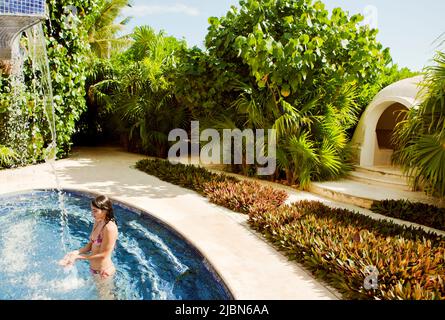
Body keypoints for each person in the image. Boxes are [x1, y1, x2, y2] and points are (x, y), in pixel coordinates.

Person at [59, 195, 118, 299]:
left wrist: (79, 257)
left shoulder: (110, 228)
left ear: (105, 210)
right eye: (91, 210)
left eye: (95, 211)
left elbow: (103, 255)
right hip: (94, 270)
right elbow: (91, 244)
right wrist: (76, 252)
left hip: (103, 272)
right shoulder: (98, 221)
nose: (92, 213)